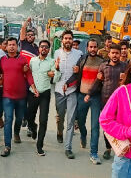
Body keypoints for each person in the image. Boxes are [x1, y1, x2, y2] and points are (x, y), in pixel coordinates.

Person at [66, 39, 104, 164]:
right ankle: (83, 135)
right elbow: (76, 74)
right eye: (90, 47)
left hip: (95, 97)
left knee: (95, 126)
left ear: (98, 48)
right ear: (87, 48)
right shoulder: (83, 60)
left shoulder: (102, 62)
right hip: (82, 96)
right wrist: (67, 83)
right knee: (80, 122)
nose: (93, 49)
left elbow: (104, 79)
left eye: (95, 47)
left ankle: (94, 153)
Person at [0, 37, 37, 157]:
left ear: (17, 46)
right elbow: (0, 75)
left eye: (13, 45)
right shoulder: (2, 60)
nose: (11, 46)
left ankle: (16, 132)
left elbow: (29, 74)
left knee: (19, 119)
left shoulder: (23, 59)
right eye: (9, 44)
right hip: (7, 95)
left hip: (21, 96)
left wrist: (33, 87)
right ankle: (7, 145)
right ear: (6, 46)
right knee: (8, 119)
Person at [27, 40, 60, 156]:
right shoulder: (33, 61)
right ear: (39, 49)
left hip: (45, 94)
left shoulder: (51, 62)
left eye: (46, 47)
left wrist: (56, 70)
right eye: (42, 47)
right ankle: (33, 126)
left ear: (49, 49)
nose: (44, 49)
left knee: (43, 120)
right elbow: (28, 74)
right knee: (29, 117)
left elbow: (56, 79)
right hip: (32, 93)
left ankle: (39, 145)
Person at [94, 44, 126, 160]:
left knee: (120, 125)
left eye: (117, 53)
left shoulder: (125, 67)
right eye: (113, 53)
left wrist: (125, 78)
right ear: (109, 54)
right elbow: (98, 82)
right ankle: (108, 149)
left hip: (121, 102)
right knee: (107, 126)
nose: (115, 55)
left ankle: (120, 148)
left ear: (120, 54)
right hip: (106, 100)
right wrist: (89, 94)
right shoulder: (103, 66)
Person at [54, 30, 82, 159]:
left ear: (72, 40)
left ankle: (68, 148)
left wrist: (79, 70)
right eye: (65, 38)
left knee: (70, 120)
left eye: (70, 38)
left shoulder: (79, 54)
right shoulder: (56, 53)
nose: (68, 41)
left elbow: (81, 73)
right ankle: (60, 131)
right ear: (62, 40)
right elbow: (53, 71)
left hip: (72, 91)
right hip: (59, 90)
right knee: (60, 116)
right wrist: (57, 67)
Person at [19, 17, 39, 135]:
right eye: (28, 35)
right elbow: (23, 29)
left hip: (33, 80)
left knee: (31, 106)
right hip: (22, 79)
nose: (30, 36)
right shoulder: (24, 44)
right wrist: (26, 21)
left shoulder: (37, 48)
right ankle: (24, 118)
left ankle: (30, 126)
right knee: (22, 102)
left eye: (32, 35)